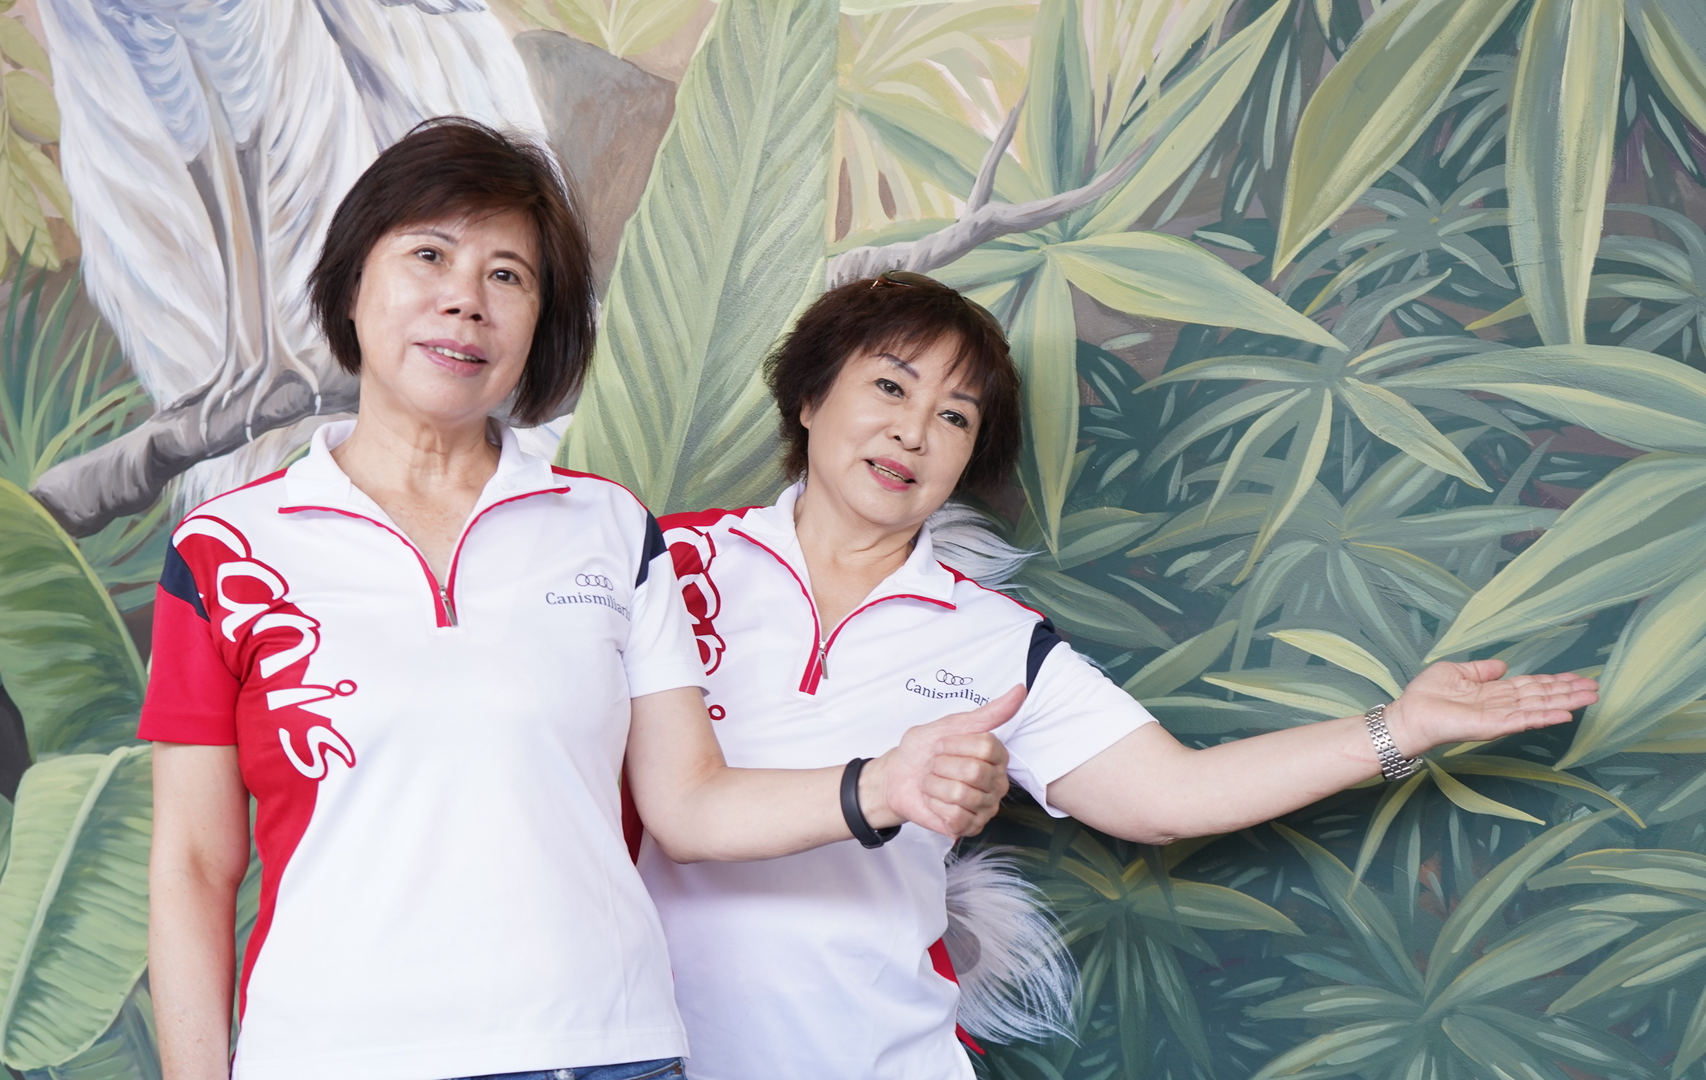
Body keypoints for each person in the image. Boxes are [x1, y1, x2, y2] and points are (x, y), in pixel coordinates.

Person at [140, 121, 1018, 1080]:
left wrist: (881, 786)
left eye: (507, 276)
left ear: (539, 325)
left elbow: (687, 804)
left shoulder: (609, 528)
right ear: (352, 284)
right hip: (331, 1057)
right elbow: (193, 866)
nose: (465, 300)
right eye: (429, 255)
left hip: (600, 1054)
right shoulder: (226, 549)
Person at [637, 272, 1602, 1080]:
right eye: (890, 387)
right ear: (809, 398)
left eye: (954, 416)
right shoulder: (658, 566)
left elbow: (1171, 795)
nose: (914, 431)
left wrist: (1399, 728)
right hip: (642, 1053)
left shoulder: (995, 640)